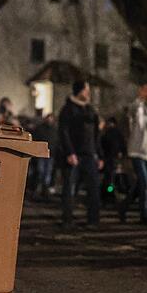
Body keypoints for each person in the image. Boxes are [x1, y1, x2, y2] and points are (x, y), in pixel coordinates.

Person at [58, 80, 103, 230]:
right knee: (70, 189)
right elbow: (64, 132)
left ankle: (93, 220)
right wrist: (70, 152)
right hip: (74, 155)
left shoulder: (91, 110)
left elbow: (96, 134)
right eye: (86, 90)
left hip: (90, 154)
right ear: (79, 91)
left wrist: (99, 154)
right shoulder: (68, 109)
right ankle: (67, 220)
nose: (88, 93)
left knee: (94, 189)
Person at [119, 85, 147, 224]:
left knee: (139, 186)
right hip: (137, 151)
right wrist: (140, 98)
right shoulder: (140, 110)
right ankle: (144, 215)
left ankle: (123, 207)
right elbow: (132, 110)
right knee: (145, 184)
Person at [31, 112, 58, 200]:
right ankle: (39, 190)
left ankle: (44, 190)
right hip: (42, 153)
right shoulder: (41, 128)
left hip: (51, 154)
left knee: (47, 173)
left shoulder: (54, 129)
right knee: (41, 171)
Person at [100, 116, 126, 205]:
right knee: (110, 178)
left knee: (110, 178)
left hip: (110, 158)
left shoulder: (108, 133)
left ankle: (108, 193)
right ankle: (108, 193)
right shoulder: (116, 133)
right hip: (112, 158)